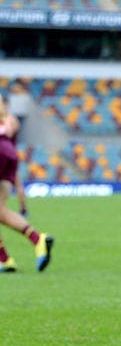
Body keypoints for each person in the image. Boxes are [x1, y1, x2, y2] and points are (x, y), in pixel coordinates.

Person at [0, 94, 53, 273]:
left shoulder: (9, 120)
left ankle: (34, 241)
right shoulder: (10, 121)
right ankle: (6, 258)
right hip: (6, 156)